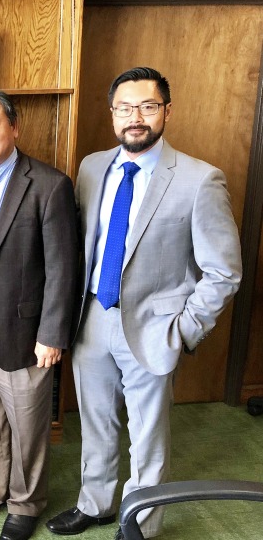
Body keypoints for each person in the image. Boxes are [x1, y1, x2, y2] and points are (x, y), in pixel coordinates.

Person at [46, 67, 242, 540]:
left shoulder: (199, 179)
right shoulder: (92, 167)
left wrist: (184, 329)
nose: (136, 117)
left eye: (148, 106)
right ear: (112, 113)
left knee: (147, 435)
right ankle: (94, 504)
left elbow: (223, 271)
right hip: (92, 316)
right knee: (94, 421)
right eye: (125, 107)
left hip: (156, 326)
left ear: (167, 112)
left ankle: (140, 523)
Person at [0, 87, 78, 540]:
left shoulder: (48, 184)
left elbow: (64, 266)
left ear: (13, 127)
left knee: (27, 424)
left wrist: (53, 334)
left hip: (25, 330)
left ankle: (25, 503)